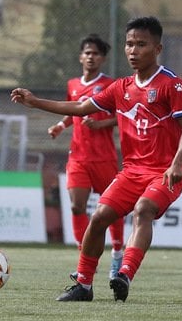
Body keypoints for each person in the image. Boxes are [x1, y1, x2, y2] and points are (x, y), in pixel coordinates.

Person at [12, 16, 182, 303]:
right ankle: (83, 285)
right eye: (129, 44)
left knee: (143, 210)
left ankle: (124, 273)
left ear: (157, 48)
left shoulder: (171, 85)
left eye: (141, 45)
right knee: (98, 218)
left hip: (166, 171)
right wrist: (35, 102)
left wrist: (176, 163)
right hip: (132, 170)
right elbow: (80, 107)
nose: (133, 51)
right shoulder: (120, 87)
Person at [48, 34, 126, 279]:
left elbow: (124, 115)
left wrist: (102, 125)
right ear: (81, 57)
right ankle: (84, 258)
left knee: (112, 209)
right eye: (87, 53)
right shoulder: (73, 84)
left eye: (95, 53)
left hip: (104, 157)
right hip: (78, 157)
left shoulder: (111, 85)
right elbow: (73, 110)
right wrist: (61, 125)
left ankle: (116, 254)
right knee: (76, 205)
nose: (91, 57)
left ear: (102, 59)